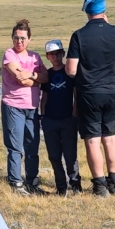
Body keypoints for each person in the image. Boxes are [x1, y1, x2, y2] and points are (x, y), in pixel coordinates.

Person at [66, 0, 115, 197]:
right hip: (111, 91)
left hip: (89, 93)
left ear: (86, 9)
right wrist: (108, 24)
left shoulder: (79, 35)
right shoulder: (114, 31)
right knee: (110, 138)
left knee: (92, 140)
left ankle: (100, 186)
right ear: (104, 8)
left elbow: (71, 70)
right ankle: (114, 182)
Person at [1, 19, 48, 195]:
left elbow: (46, 77)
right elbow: (20, 78)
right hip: (13, 105)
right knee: (15, 146)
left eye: (22, 38)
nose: (19, 41)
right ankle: (16, 183)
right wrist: (36, 81)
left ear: (29, 39)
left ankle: (32, 181)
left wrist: (32, 75)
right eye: (16, 37)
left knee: (32, 145)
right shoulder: (9, 54)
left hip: (32, 107)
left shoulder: (35, 57)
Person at [40, 39, 80, 195]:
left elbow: (76, 95)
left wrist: (74, 115)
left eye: (58, 54)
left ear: (63, 54)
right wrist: (43, 115)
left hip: (68, 119)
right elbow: (44, 96)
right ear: (47, 57)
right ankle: (61, 186)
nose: (55, 57)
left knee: (70, 155)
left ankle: (75, 184)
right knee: (54, 156)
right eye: (51, 54)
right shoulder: (47, 74)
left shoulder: (70, 72)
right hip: (50, 120)